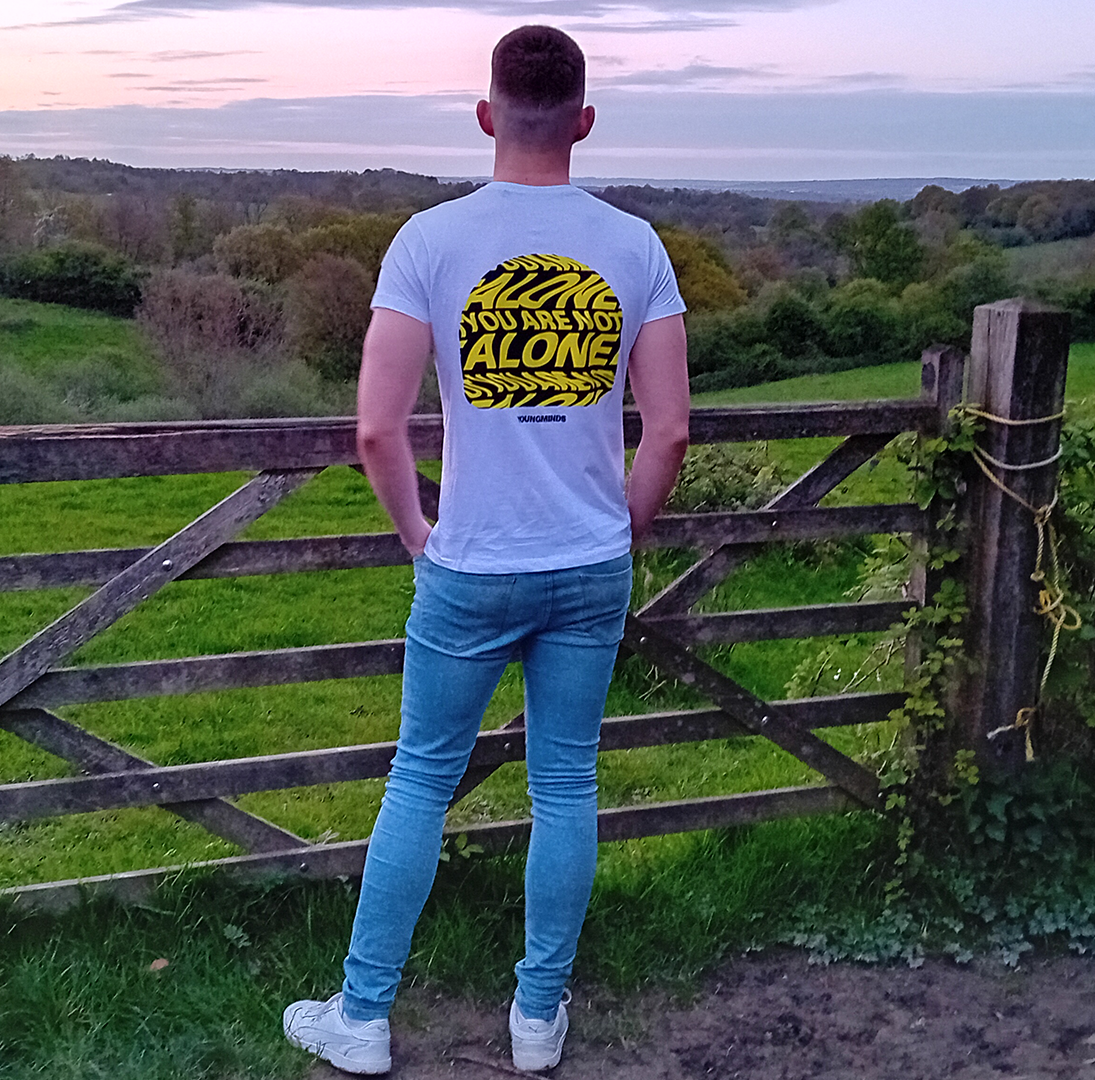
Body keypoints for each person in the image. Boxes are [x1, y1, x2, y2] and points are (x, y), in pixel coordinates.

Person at [282, 24, 689, 1075]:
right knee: (566, 784)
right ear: (585, 123)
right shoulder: (636, 247)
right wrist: (621, 535)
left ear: (485, 115)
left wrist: (419, 531)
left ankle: (364, 1019)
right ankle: (537, 1019)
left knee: (421, 780)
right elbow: (673, 429)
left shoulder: (430, 241)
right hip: (589, 565)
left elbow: (376, 429)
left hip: (470, 563)